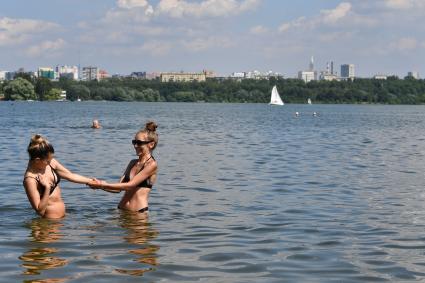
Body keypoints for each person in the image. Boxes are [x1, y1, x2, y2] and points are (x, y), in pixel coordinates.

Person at [89, 121, 158, 214]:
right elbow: (119, 189)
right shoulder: (132, 163)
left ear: (151, 144)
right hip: (121, 211)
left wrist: (102, 185)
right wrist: (99, 185)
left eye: (139, 143)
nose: (135, 146)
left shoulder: (152, 165)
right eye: (134, 142)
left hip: (139, 213)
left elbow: (130, 185)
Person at [23, 134, 95, 219]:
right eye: (48, 161)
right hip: (48, 224)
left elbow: (70, 176)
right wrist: (47, 188)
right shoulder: (30, 180)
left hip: (61, 219)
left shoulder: (50, 163)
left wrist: (91, 181)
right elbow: (40, 210)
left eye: (51, 159)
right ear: (37, 160)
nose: (51, 162)